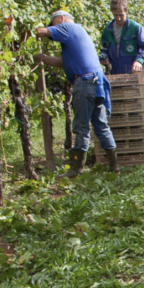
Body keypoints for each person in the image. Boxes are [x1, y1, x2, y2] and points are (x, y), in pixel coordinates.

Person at [35, 10, 118, 177]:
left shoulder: (68, 27)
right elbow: (62, 62)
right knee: (101, 126)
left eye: (54, 24)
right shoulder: (75, 37)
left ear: (61, 18)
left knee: (81, 127)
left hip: (85, 83)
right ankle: (114, 167)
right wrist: (42, 58)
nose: (53, 28)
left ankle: (76, 169)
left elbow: (41, 31)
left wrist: (27, 28)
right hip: (96, 83)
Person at [99, 0, 144, 75]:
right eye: (115, 15)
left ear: (126, 11)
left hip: (132, 74)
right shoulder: (107, 30)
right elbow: (104, 49)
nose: (118, 18)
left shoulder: (136, 28)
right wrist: (104, 58)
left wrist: (139, 61)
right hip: (114, 75)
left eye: (121, 15)